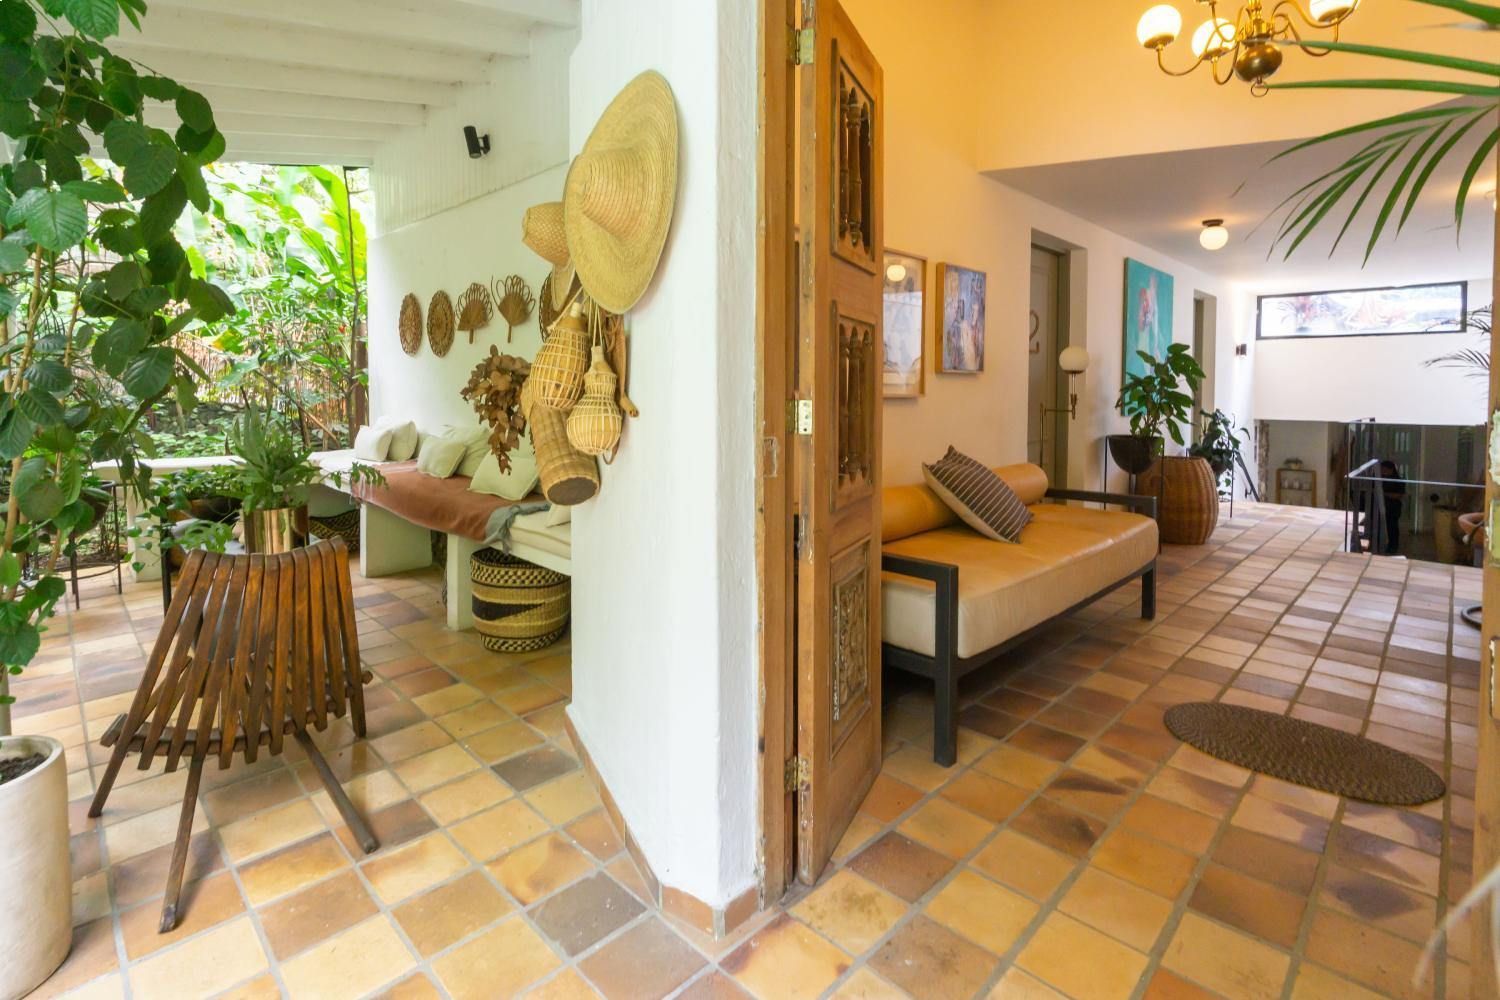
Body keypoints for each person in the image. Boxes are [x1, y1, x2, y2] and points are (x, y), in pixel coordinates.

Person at [1379, 459, 1406, 555]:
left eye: (1384, 469)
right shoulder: (1381, 479)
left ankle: (1393, 546)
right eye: (1382, 469)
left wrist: (1384, 494)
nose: (1383, 471)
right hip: (1381, 507)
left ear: (1391, 469)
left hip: (1393, 508)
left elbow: (1399, 495)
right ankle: (1380, 545)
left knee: (1392, 528)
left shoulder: (1398, 480)